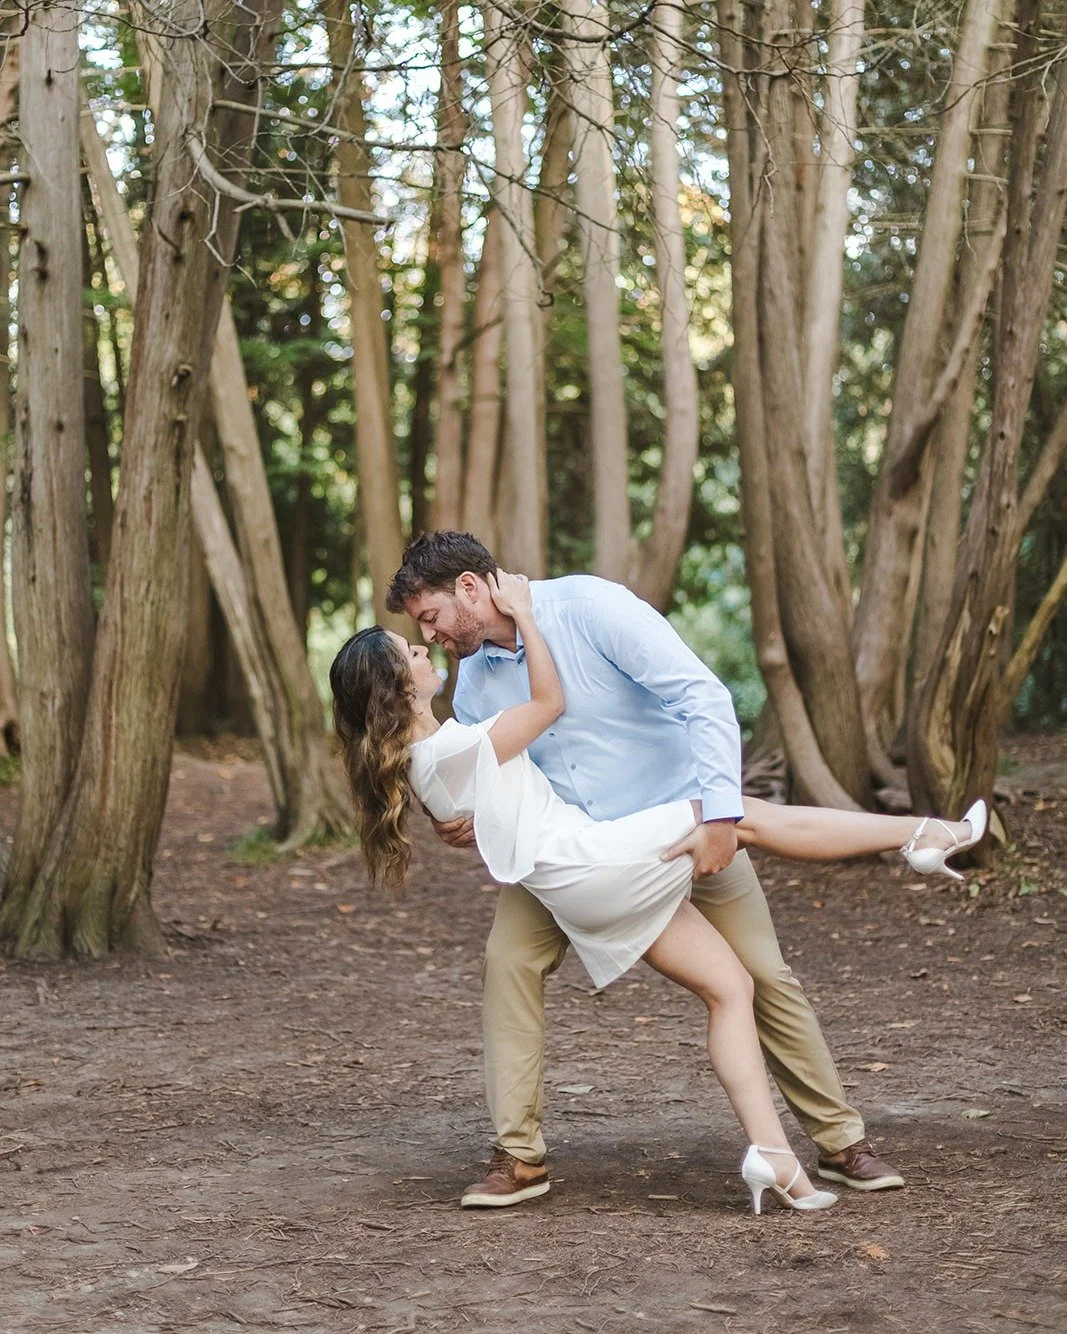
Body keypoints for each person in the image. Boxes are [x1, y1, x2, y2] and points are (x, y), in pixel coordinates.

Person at [330, 571, 985, 1215]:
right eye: (413, 639)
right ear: (400, 691)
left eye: (428, 618)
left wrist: (715, 819)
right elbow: (525, 733)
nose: (426, 636)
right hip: (587, 860)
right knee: (521, 952)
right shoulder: (467, 696)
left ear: (469, 587)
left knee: (744, 981)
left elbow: (700, 697)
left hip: (630, 836)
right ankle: (924, 834)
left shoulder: (588, 609)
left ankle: (803, 1152)